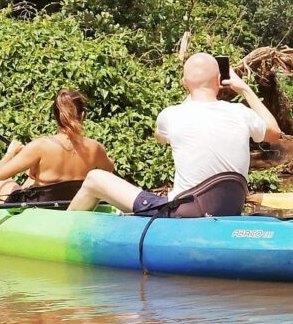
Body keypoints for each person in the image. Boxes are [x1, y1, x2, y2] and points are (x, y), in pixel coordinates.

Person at [67, 53, 281, 216]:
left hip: (183, 213)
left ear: (184, 84)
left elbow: (160, 137)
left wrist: (191, 90)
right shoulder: (241, 113)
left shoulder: (171, 116)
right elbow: (274, 132)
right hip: (228, 208)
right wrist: (244, 89)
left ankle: (60, 230)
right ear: (219, 81)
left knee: (95, 178)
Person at [0, 89, 114, 204]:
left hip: (37, 207)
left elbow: (0, 174)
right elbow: (110, 168)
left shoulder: (41, 145)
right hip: (71, 204)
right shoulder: (95, 148)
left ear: (56, 116)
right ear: (82, 115)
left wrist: (11, 153)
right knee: (32, 180)